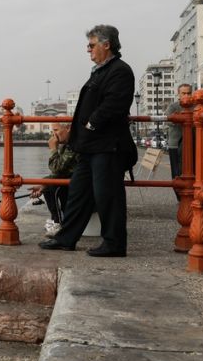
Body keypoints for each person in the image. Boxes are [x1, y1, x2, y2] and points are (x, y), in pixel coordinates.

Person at [40, 25, 135, 257]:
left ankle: (114, 244)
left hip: (108, 146)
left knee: (108, 195)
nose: (88, 49)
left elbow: (114, 104)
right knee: (78, 192)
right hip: (89, 147)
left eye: (91, 45)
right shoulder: (100, 72)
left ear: (106, 44)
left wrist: (91, 124)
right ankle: (66, 239)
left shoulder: (120, 71)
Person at [29, 124, 77, 236]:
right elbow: (59, 173)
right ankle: (56, 220)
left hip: (82, 185)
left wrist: (53, 149)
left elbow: (56, 168)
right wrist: (43, 183)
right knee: (48, 185)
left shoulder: (74, 145)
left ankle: (58, 223)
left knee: (53, 186)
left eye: (56, 130)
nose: (53, 134)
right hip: (73, 181)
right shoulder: (67, 145)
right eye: (52, 131)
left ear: (68, 128)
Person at [165, 83, 193, 180]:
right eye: (183, 93)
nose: (186, 96)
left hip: (193, 144)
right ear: (178, 94)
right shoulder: (173, 106)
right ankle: (178, 189)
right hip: (175, 144)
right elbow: (167, 120)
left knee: (194, 171)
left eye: (189, 93)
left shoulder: (197, 106)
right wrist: (180, 119)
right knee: (176, 173)